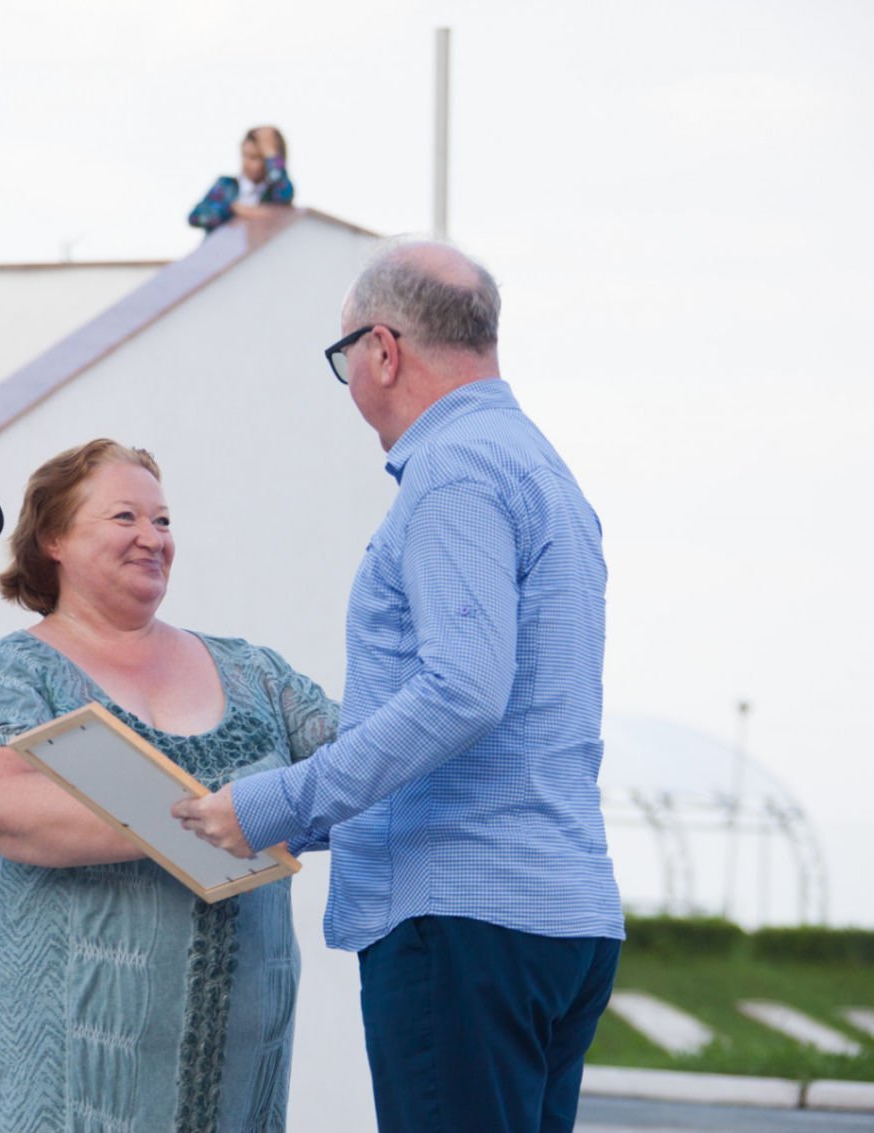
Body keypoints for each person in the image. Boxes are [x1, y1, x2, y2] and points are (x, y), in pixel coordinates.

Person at [176, 241, 625, 1133]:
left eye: (342, 355)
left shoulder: (454, 471)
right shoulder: (541, 469)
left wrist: (274, 803)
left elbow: (464, 691)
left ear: (381, 349)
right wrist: (292, 820)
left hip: (461, 922)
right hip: (556, 914)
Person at [0, 438, 337, 1133]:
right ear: (54, 538)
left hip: (235, 1082)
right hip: (64, 1086)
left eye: (164, 521)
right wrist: (215, 818)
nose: (152, 538)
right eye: (125, 517)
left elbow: (366, 768)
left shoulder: (256, 673)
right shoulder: (10, 671)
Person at [188, 125, 294, 234]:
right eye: (244, 155)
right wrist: (234, 209)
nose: (246, 163)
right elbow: (195, 218)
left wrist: (271, 153)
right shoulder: (226, 185)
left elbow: (284, 194)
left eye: (254, 158)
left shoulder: (274, 193)